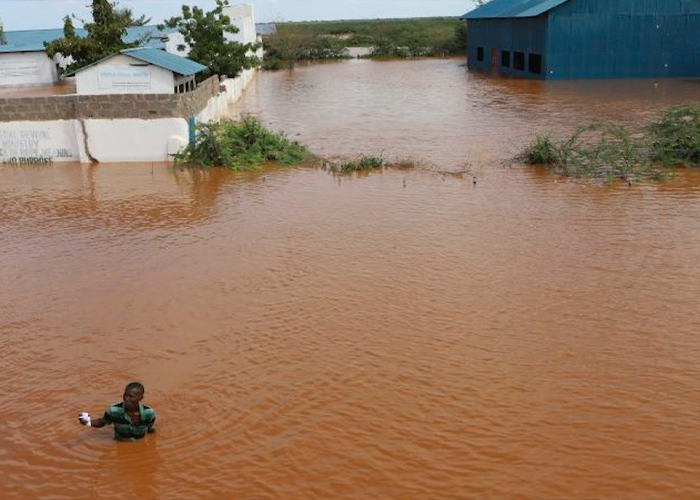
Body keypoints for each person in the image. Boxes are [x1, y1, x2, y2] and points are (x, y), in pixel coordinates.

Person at [79, 382, 156, 441]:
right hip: (120, 442)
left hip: (139, 445)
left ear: (140, 398)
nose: (126, 398)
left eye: (131, 396)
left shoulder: (149, 413)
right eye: (125, 395)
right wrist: (88, 422)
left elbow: (150, 429)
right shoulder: (113, 411)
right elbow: (102, 422)